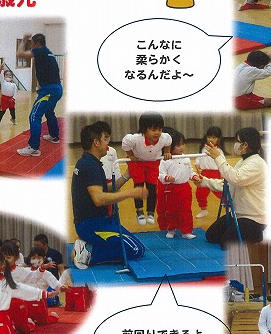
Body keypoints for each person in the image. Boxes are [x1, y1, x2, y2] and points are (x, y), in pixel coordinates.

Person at [71, 123, 146, 268]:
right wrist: (131, 193)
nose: (108, 143)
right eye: (105, 139)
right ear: (96, 142)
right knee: (136, 250)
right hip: (92, 225)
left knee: (134, 246)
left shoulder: (88, 162)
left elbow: (106, 189)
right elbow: (99, 199)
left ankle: (86, 245)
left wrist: (127, 175)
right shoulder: (90, 166)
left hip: (97, 222)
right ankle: (87, 253)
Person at [192, 126, 268, 244]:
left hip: (253, 218)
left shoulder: (257, 164)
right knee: (211, 236)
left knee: (226, 243)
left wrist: (218, 157)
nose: (235, 144)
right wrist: (204, 181)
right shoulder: (243, 161)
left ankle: (258, 235)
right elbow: (228, 183)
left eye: (237, 141)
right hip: (237, 214)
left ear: (245, 145)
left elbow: (235, 178)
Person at [17, 33, 63, 157]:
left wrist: (24, 39)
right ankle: (54, 136)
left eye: (32, 44)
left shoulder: (40, 51)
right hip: (57, 88)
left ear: (37, 43)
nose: (31, 46)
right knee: (49, 112)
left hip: (49, 91)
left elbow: (19, 54)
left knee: (34, 115)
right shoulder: (48, 52)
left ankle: (34, 148)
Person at [121, 113, 172, 225]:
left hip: (153, 163)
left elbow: (168, 141)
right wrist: (130, 155)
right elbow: (125, 143)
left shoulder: (164, 137)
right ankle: (139, 211)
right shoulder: (136, 139)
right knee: (138, 187)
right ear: (144, 130)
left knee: (152, 188)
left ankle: (150, 213)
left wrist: (167, 151)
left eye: (159, 129)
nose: (157, 133)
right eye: (153, 130)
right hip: (137, 163)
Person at [157, 130, 195, 239]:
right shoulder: (165, 160)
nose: (181, 147)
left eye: (183, 144)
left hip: (185, 188)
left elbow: (190, 171)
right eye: (178, 145)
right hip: (171, 189)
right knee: (171, 210)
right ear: (170, 147)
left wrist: (194, 176)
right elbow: (160, 174)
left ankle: (186, 231)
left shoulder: (186, 158)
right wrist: (167, 178)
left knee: (186, 210)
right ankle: (171, 229)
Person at [193, 127, 224, 217]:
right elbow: (198, 159)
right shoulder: (203, 149)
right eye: (209, 137)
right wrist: (197, 165)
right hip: (204, 174)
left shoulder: (219, 151)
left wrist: (223, 174)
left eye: (214, 137)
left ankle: (229, 207)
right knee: (200, 193)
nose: (211, 139)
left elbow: (223, 163)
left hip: (215, 174)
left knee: (220, 192)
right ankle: (203, 209)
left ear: (218, 139)